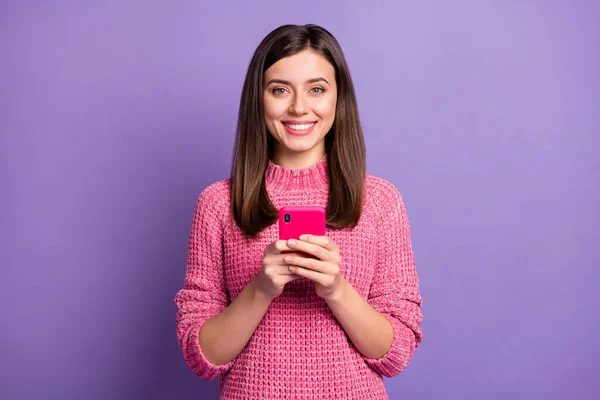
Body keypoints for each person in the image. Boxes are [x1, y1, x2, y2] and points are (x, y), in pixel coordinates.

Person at [174, 24, 423, 399]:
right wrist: (261, 288)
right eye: (279, 90)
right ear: (258, 99)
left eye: (317, 89)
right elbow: (203, 357)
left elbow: (396, 352)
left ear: (339, 99)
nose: (299, 107)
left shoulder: (380, 201)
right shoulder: (217, 204)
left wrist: (336, 289)